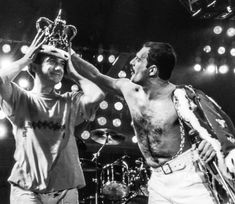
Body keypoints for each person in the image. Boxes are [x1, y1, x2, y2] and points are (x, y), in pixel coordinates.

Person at [70, 41, 235, 204]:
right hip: (157, 180)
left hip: (188, 177)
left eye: (138, 59)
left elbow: (217, 126)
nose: (132, 62)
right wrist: (70, 54)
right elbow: (96, 76)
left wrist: (211, 144)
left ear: (152, 70)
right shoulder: (129, 90)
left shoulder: (180, 97)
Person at [0, 15, 104, 204]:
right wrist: (24, 59)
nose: (58, 67)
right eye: (52, 61)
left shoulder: (70, 101)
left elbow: (97, 95)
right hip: (27, 191)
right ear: (35, 65)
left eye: (62, 64)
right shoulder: (20, 98)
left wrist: (75, 74)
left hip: (65, 192)